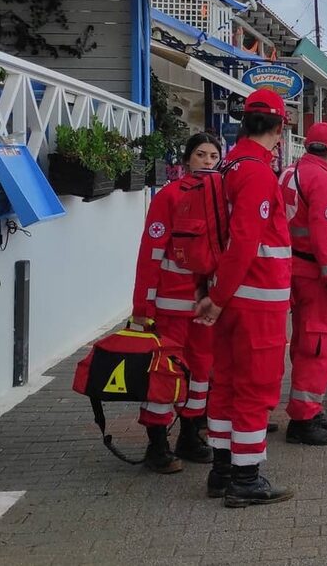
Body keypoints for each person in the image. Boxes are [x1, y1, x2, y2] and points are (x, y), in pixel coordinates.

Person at [193, 89, 293, 507]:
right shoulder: (256, 171)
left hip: (234, 296)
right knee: (255, 387)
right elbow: (246, 241)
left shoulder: (230, 164)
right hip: (256, 298)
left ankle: (221, 470)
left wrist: (215, 293)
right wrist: (218, 297)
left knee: (227, 384)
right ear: (280, 128)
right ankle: (246, 478)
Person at [130, 133, 222, 474]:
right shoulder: (168, 197)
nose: (208, 162)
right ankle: (157, 445)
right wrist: (143, 307)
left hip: (205, 309)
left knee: (201, 372)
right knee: (165, 376)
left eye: (214, 156)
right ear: (187, 160)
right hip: (171, 307)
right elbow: (151, 254)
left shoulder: (220, 199)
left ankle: (189, 435)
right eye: (201, 155)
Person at [279, 123, 327, 446]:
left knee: (303, 343)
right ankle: (304, 417)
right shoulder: (322, 180)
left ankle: (308, 408)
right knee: (319, 344)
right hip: (317, 276)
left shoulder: (289, 173)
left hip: (294, 269)